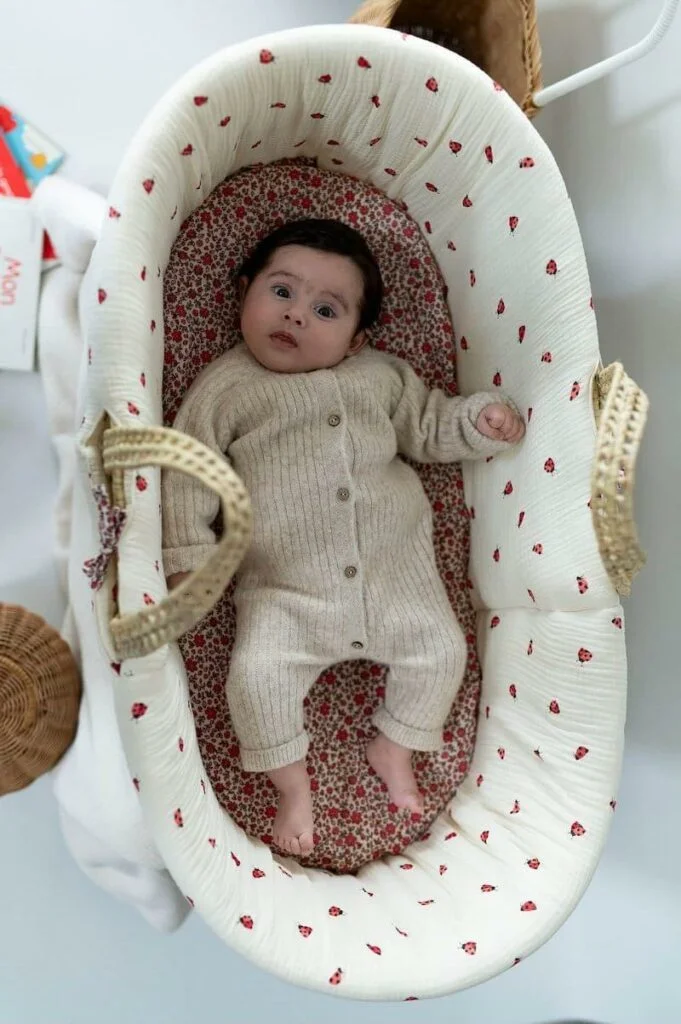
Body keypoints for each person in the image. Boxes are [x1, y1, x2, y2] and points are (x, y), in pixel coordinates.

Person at [162, 218, 525, 857]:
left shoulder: (381, 378)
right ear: (244, 292)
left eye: (325, 310)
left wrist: (478, 422)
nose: (296, 315)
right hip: (285, 594)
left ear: (357, 340)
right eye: (281, 292)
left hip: (397, 581)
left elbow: (428, 426)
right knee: (256, 680)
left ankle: (395, 746)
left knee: (443, 652)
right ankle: (292, 787)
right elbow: (187, 467)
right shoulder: (226, 387)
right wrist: (188, 554)